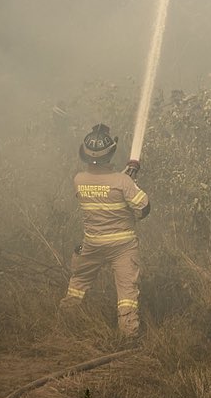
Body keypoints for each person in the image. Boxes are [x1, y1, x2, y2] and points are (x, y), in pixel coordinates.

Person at [61, 123, 150, 340]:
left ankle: (64, 323)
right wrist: (131, 183)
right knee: (127, 293)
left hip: (93, 245)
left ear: (84, 154)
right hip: (123, 247)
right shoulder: (122, 182)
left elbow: (102, 185)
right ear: (111, 153)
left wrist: (125, 179)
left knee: (78, 283)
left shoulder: (79, 180)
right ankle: (128, 337)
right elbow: (143, 208)